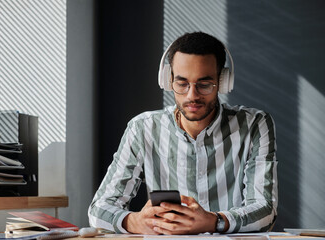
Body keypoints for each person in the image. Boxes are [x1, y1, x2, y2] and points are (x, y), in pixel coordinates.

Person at [88, 32, 278, 235]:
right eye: (182, 83)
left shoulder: (254, 124)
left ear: (223, 82)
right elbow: (99, 209)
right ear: (168, 80)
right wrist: (133, 222)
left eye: (204, 84)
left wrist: (214, 222)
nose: (192, 95)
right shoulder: (143, 127)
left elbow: (265, 210)